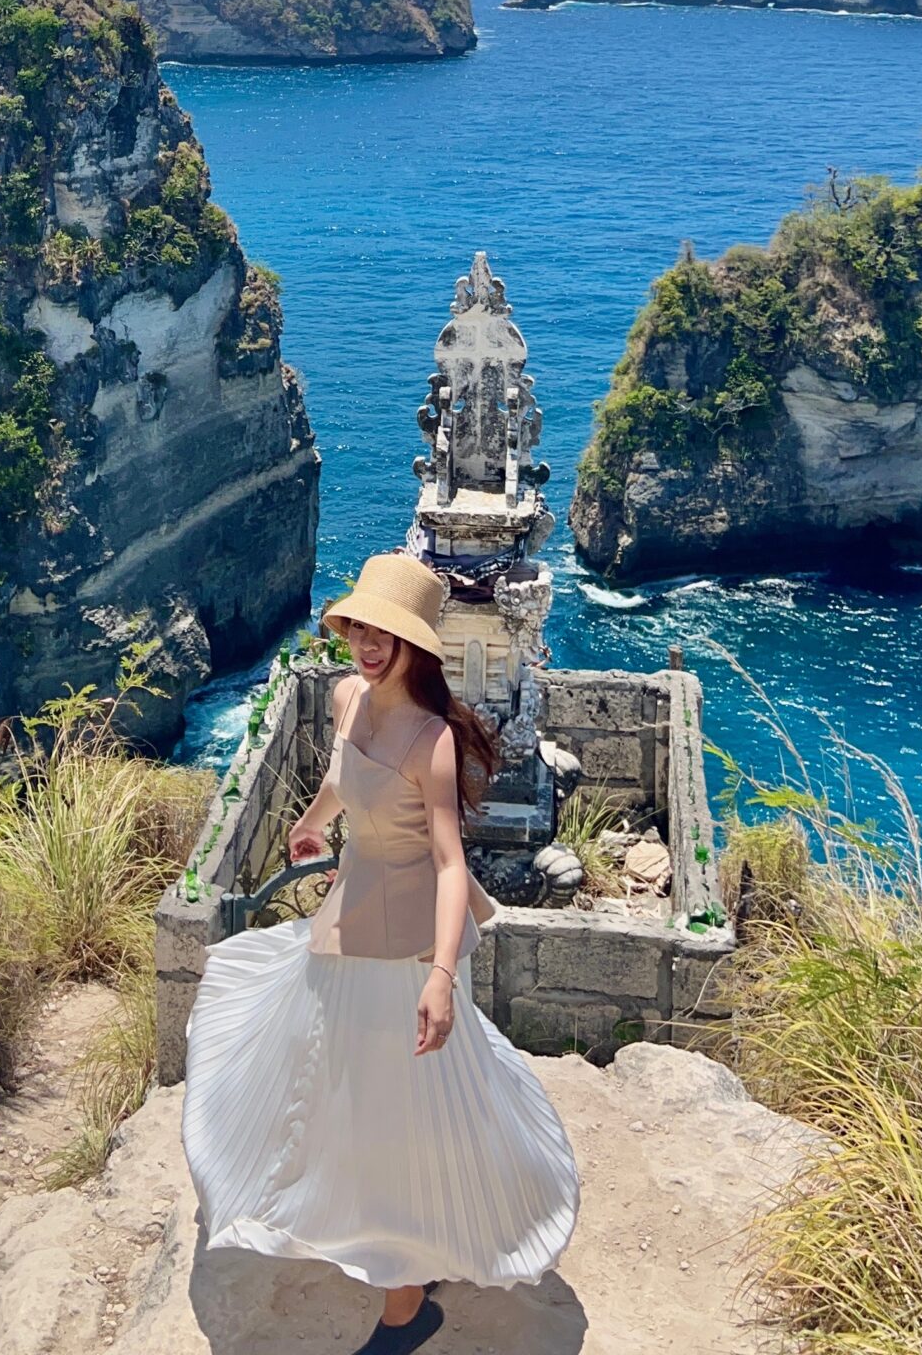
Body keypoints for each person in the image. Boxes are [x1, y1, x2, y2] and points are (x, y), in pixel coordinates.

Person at [183, 551, 579, 1353]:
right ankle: (413, 1246)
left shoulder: (431, 739)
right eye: (360, 626)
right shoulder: (347, 697)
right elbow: (342, 772)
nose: (366, 642)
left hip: (407, 950)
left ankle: (408, 1303)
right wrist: (316, 821)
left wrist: (438, 977)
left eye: (384, 633)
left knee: (392, 1109)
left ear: (415, 644)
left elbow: (447, 864)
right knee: (359, 1091)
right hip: (352, 917)